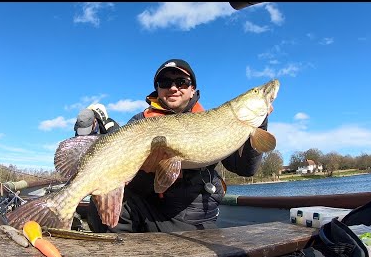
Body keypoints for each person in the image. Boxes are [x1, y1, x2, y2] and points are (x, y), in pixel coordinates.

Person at [87, 58, 273, 233]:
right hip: (148, 210)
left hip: (191, 219)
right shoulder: (140, 122)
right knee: (99, 205)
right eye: (165, 82)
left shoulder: (216, 122)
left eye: (181, 82)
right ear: (157, 90)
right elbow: (119, 171)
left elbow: (245, 169)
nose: (173, 88)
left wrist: (260, 122)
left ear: (193, 89)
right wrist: (147, 171)